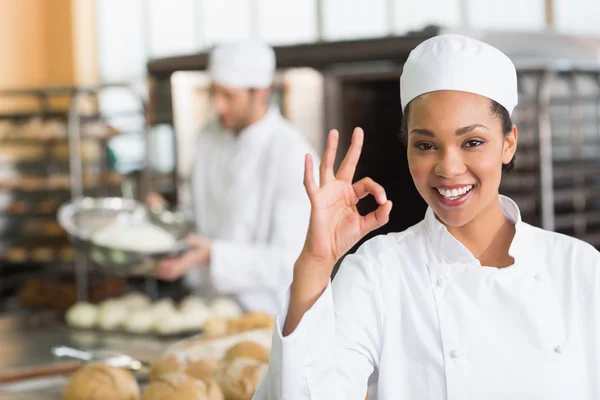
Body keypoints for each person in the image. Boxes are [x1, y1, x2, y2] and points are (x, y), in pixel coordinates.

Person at [254, 34, 600, 399]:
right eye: (426, 145)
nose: (448, 168)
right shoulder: (380, 272)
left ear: (508, 142)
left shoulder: (579, 269)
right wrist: (316, 261)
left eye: (472, 142)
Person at [151, 41, 319, 315]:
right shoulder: (208, 138)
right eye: (213, 94)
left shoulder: (292, 154)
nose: (217, 106)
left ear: (261, 93)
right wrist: (167, 223)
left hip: (266, 316)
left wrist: (214, 254)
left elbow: (291, 260)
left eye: (228, 96)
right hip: (205, 308)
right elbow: (198, 219)